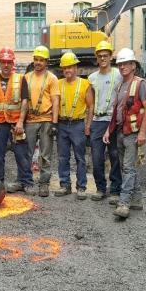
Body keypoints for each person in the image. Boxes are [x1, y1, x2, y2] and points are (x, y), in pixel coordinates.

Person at [103, 48, 146, 219]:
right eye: (120, 64)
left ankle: (124, 203)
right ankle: (137, 200)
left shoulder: (140, 84)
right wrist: (108, 131)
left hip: (133, 134)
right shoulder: (119, 86)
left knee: (128, 168)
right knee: (128, 168)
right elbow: (116, 111)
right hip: (120, 132)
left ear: (133, 65)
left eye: (126, 63)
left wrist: (143, 133)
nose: (122, 66)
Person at [0, 47, 34, 194]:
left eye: (9, 62)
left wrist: (21, 121)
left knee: (21, 153)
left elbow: (25, 101)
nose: (6, 65)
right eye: (3, 62)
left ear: (12, 62)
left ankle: (26, 182)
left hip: (16, 123)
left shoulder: (20, 79)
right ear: (0, 63)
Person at [54, 52, 94, 200]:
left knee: (80, 157)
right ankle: (65, 185)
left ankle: (81, 187)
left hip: (78, 124)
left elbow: (91, 107)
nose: (67, 70)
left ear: (75, 67)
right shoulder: (58, 84)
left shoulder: (84, 84)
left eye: (70, 67)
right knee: (63, 157)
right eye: (65, 68)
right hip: (62, 124)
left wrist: (88, 125)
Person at [88, 41, 122, 202]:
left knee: (115, 155)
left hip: (113, 120)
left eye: (105, 55)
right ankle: (100, 188)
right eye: (100, 56)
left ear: (110, 57)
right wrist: (88, 124)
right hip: (97, 121)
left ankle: (115, 189)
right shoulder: (92, 78)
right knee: (96, 157)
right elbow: (90, 103)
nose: (102, 58)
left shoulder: (118, 75)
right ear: (96, 58)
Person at [24, 45, 60, 197]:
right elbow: (23, 100)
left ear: (46, 62)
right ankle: (27, 181)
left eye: (41, 60)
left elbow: (55, 100)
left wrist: (54, 122)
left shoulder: (52, 78)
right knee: (27, 152)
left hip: (46, 119)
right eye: (36, 60)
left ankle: (44, 183)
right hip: (30, 119)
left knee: (45, 154)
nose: (38, 62)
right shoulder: (27, 77)